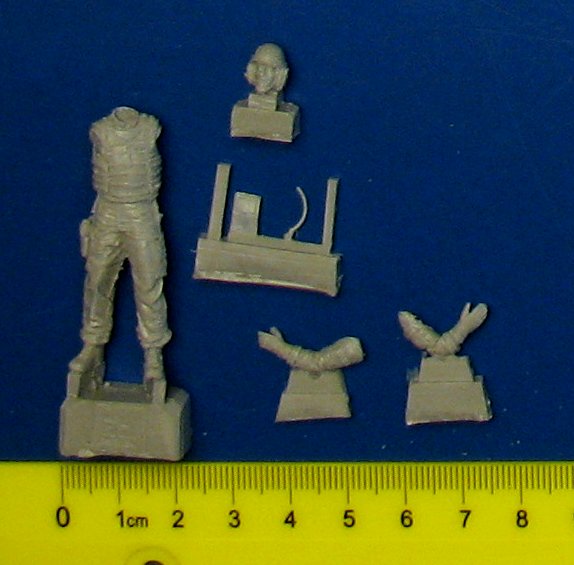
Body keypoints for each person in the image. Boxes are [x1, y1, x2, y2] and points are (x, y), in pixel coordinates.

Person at [67, 106, 170, 398]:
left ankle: (153, 354)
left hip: (142, 212)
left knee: (150, 282)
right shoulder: (100, 130)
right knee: (97, 280)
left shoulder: (149, 127)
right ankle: (92, 343)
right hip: (108, 210)